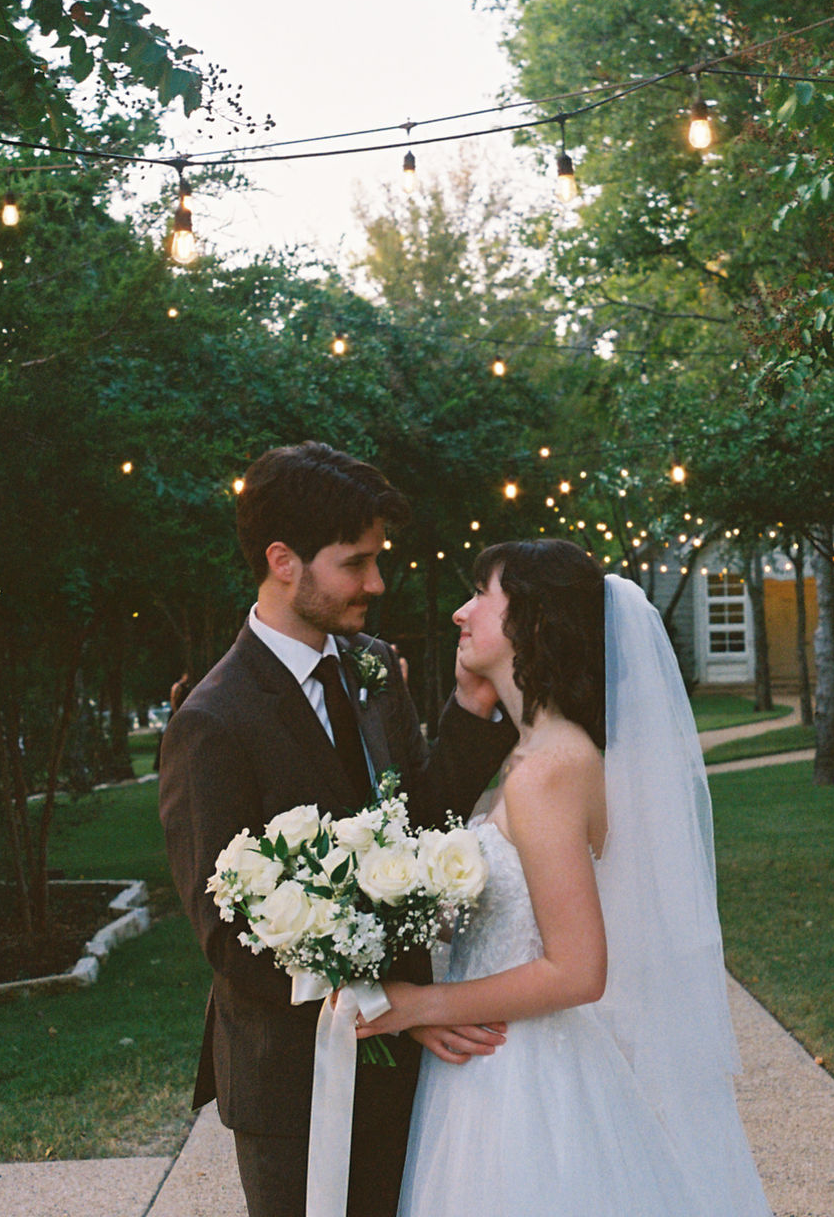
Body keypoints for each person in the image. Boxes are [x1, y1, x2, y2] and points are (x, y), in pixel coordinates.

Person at [356, 539, 773, 1217]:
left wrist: (416, 1005)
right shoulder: (541, 749)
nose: (462, 613)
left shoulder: (549, 768)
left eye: (481, 595)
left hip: (523, 1082)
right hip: (498, 1061)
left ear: (534, 623)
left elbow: (577, 971)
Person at [158, 441, 516, 1217]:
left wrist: (472, 709)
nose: (377, 584)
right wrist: (390, 1006)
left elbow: (417, 827)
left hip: (410, 1069)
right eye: (356, 563)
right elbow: (232, 939)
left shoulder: (374, 667)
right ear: (284, 561)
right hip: (293, 1087)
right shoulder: (212, 724)